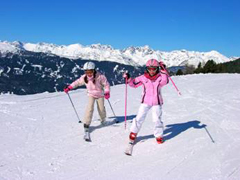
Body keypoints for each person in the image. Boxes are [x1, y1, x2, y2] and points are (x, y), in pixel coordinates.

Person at [123, 59, 169, 147]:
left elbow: (165, 81)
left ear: (157, 69)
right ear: (147, 69)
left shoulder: (160, 78)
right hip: (145, 101)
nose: (152, 71)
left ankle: (158, 135)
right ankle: (133, 133)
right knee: (139, 117)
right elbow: (133, 84)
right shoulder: (143, 78)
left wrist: (163, 71)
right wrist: (128, 79)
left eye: (154, 69)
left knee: (157, 119)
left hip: (156, 102)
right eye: (150, 69)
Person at [64, 61, 110, 141]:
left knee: (101, 108)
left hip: (100, 94)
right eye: (87, 72)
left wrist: (107, 92)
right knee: (89, 108)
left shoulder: (100, 77)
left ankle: (103, 120)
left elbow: (106, 84)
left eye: (90, 71)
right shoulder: (84, 77)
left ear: (94, 70)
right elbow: (77, 82)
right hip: (91, 94)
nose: (89, 73)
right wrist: (70, 87)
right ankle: (86, 124)